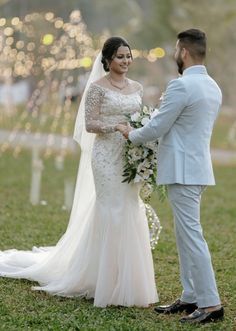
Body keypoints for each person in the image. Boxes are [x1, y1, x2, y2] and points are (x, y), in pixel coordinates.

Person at [0, 37, 158, 308]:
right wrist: (116, 127)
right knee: (111, 208)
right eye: (120, 56)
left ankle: (129, 280)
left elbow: (140, 118)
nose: (125, 61)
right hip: (105, 155)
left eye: (128, 56)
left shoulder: (137, 87)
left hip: (130, 155)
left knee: (130, 207)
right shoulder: (96, 88)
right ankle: (101, 280)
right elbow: (90, 124)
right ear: (107, 60)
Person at [117, 29, 224, 323]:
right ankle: (191, 297)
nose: (176, 55)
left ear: (184, 53)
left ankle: (211, 304)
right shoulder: (213, 86)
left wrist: (131, 134)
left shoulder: (181, 86)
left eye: (177, 50)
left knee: (192, 238)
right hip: (197, 170)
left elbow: (157, 127)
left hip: (183, 172)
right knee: (185, 236)